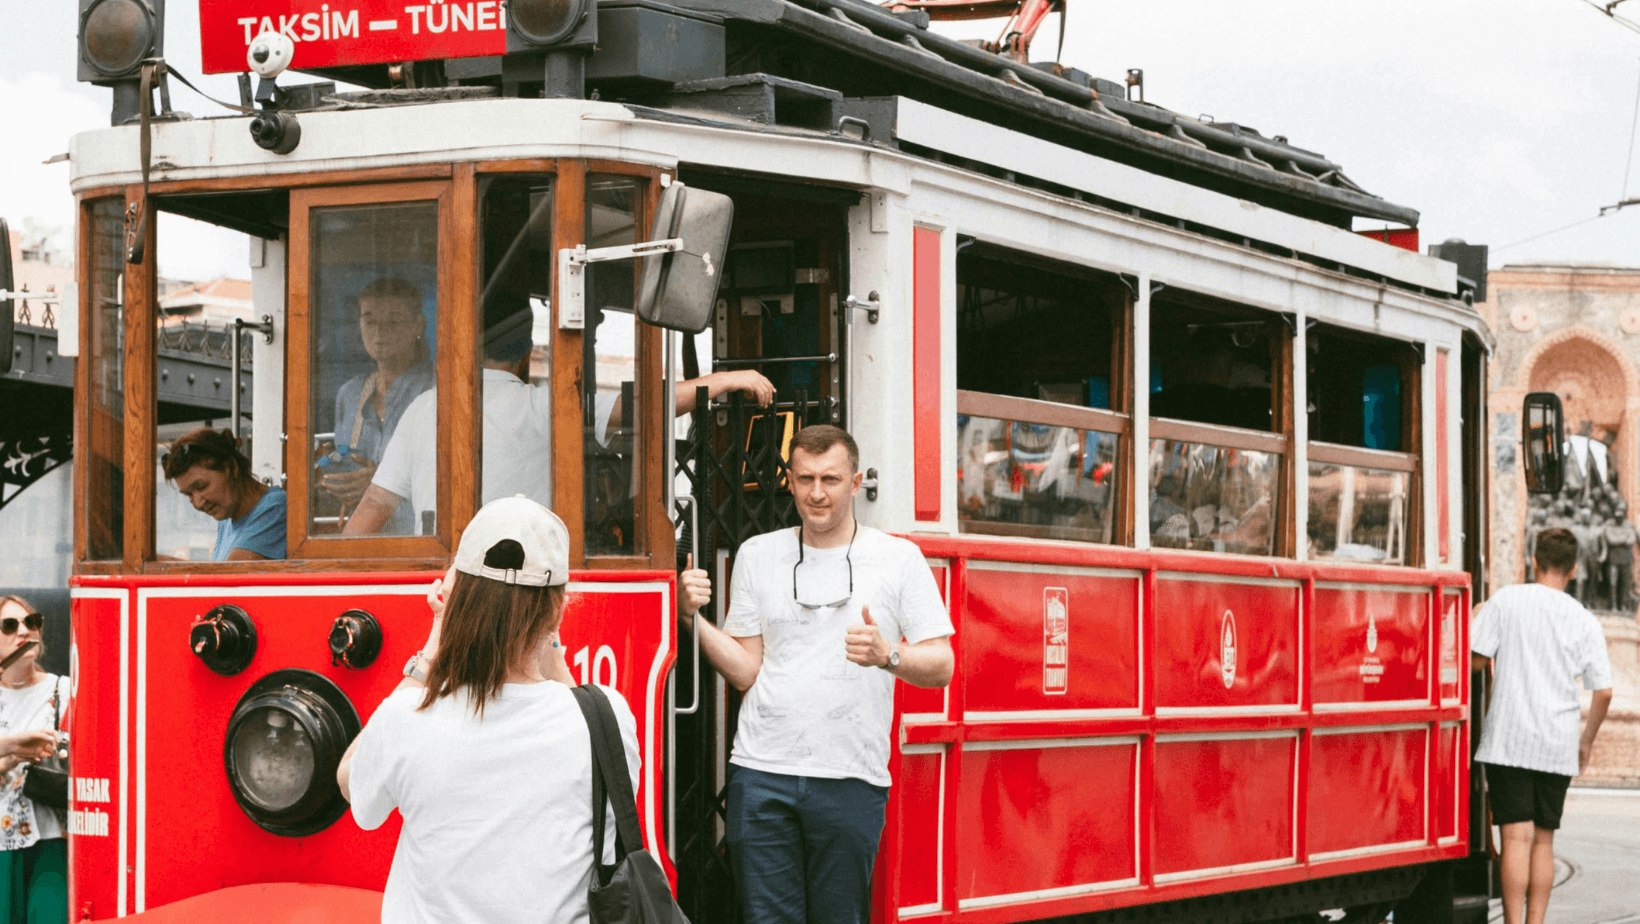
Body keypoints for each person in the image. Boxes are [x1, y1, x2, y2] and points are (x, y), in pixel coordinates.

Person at [684, 425, 954, 924]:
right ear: (788, 479)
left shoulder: (898, 558)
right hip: (761, 772)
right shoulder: (758, 554)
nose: (816, 493)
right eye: (804, 478)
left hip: (850, 778)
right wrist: (690, 620)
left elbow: (942, 665)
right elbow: (745, 669)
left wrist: (888, 654)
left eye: (830, 479)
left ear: (854, 484)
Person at [337, 496, 641, 923]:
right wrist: (551, 643)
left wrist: (431, 651)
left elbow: (353, 785)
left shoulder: (410, 717)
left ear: (456, 598)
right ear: (557, 607)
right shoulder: (607, 719)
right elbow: (590, 733)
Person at [344, 303, 775, 536]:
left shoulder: (424, 409)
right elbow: (643, 406)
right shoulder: (542, 406)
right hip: (523, 582)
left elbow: (374, 508)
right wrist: (722, 380)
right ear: (525, 356)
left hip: (441, 583)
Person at [1471, 527, 1614, 924]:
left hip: (1510, 740)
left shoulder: (1507, 601)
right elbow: (1603, 691)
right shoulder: (1583, 620)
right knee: (1544, 841)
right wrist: (1585, 743)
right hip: (1557, 742)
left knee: (1515, 838)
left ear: (1533, 561)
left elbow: (1475, 661)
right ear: (1573, 570)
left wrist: (1475, 616)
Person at [320, 278, 436, 535]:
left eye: (393, 321)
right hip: (362, 544)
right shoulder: (350, 394)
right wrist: (330, 469)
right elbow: (344, 455)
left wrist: (381, 487)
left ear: (418, 325)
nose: (379, 332)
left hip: (418, 542)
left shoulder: (437, 392)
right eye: (369, 320)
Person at [0, 596, 70, 924]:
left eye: (32, 622)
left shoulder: (63, 690)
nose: (24, 631)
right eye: (10, 625)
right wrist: (14, 749)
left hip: (50, 835)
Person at [162, 427, 286, 561]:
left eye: (201, 486)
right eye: (188, 495)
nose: (198, 503)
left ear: (231, 467)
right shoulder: (227, 519)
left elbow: (227, 578)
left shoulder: (276, 509)